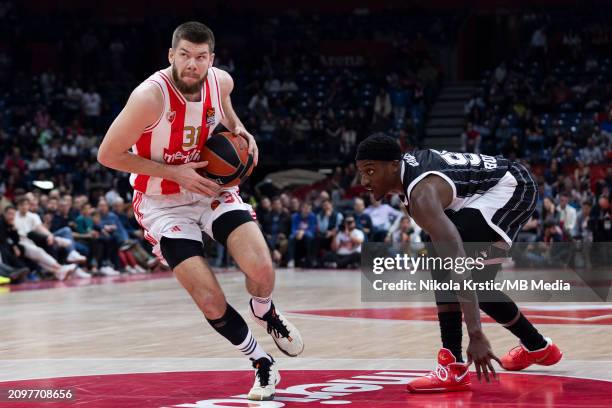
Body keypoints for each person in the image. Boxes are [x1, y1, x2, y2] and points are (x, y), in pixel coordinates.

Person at [97, 21, 302, 401]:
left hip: (210, 188)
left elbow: (226, 112)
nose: (194, 64)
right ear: (172, 55)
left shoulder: (220, 81)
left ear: (212, 59)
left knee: (261, 268)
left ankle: (265, 311)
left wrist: (241, 129)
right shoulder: (149, 98)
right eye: (186, 56)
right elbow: (108, 155)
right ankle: (261, 362)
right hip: (162, 203)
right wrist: (174, 172)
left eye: (201, 57)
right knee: (208, 298)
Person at [355, 134, 562, 393]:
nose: (364, 181)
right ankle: (538, 347)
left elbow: (457, 262)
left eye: (370, 171)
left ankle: (453, 366)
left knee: (456, 271)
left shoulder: (421, 195)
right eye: (361, 173)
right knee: (471, 282)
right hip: (483, 190)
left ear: (394, 165)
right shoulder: (409, 186)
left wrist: (476, 334)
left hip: (511, 186)